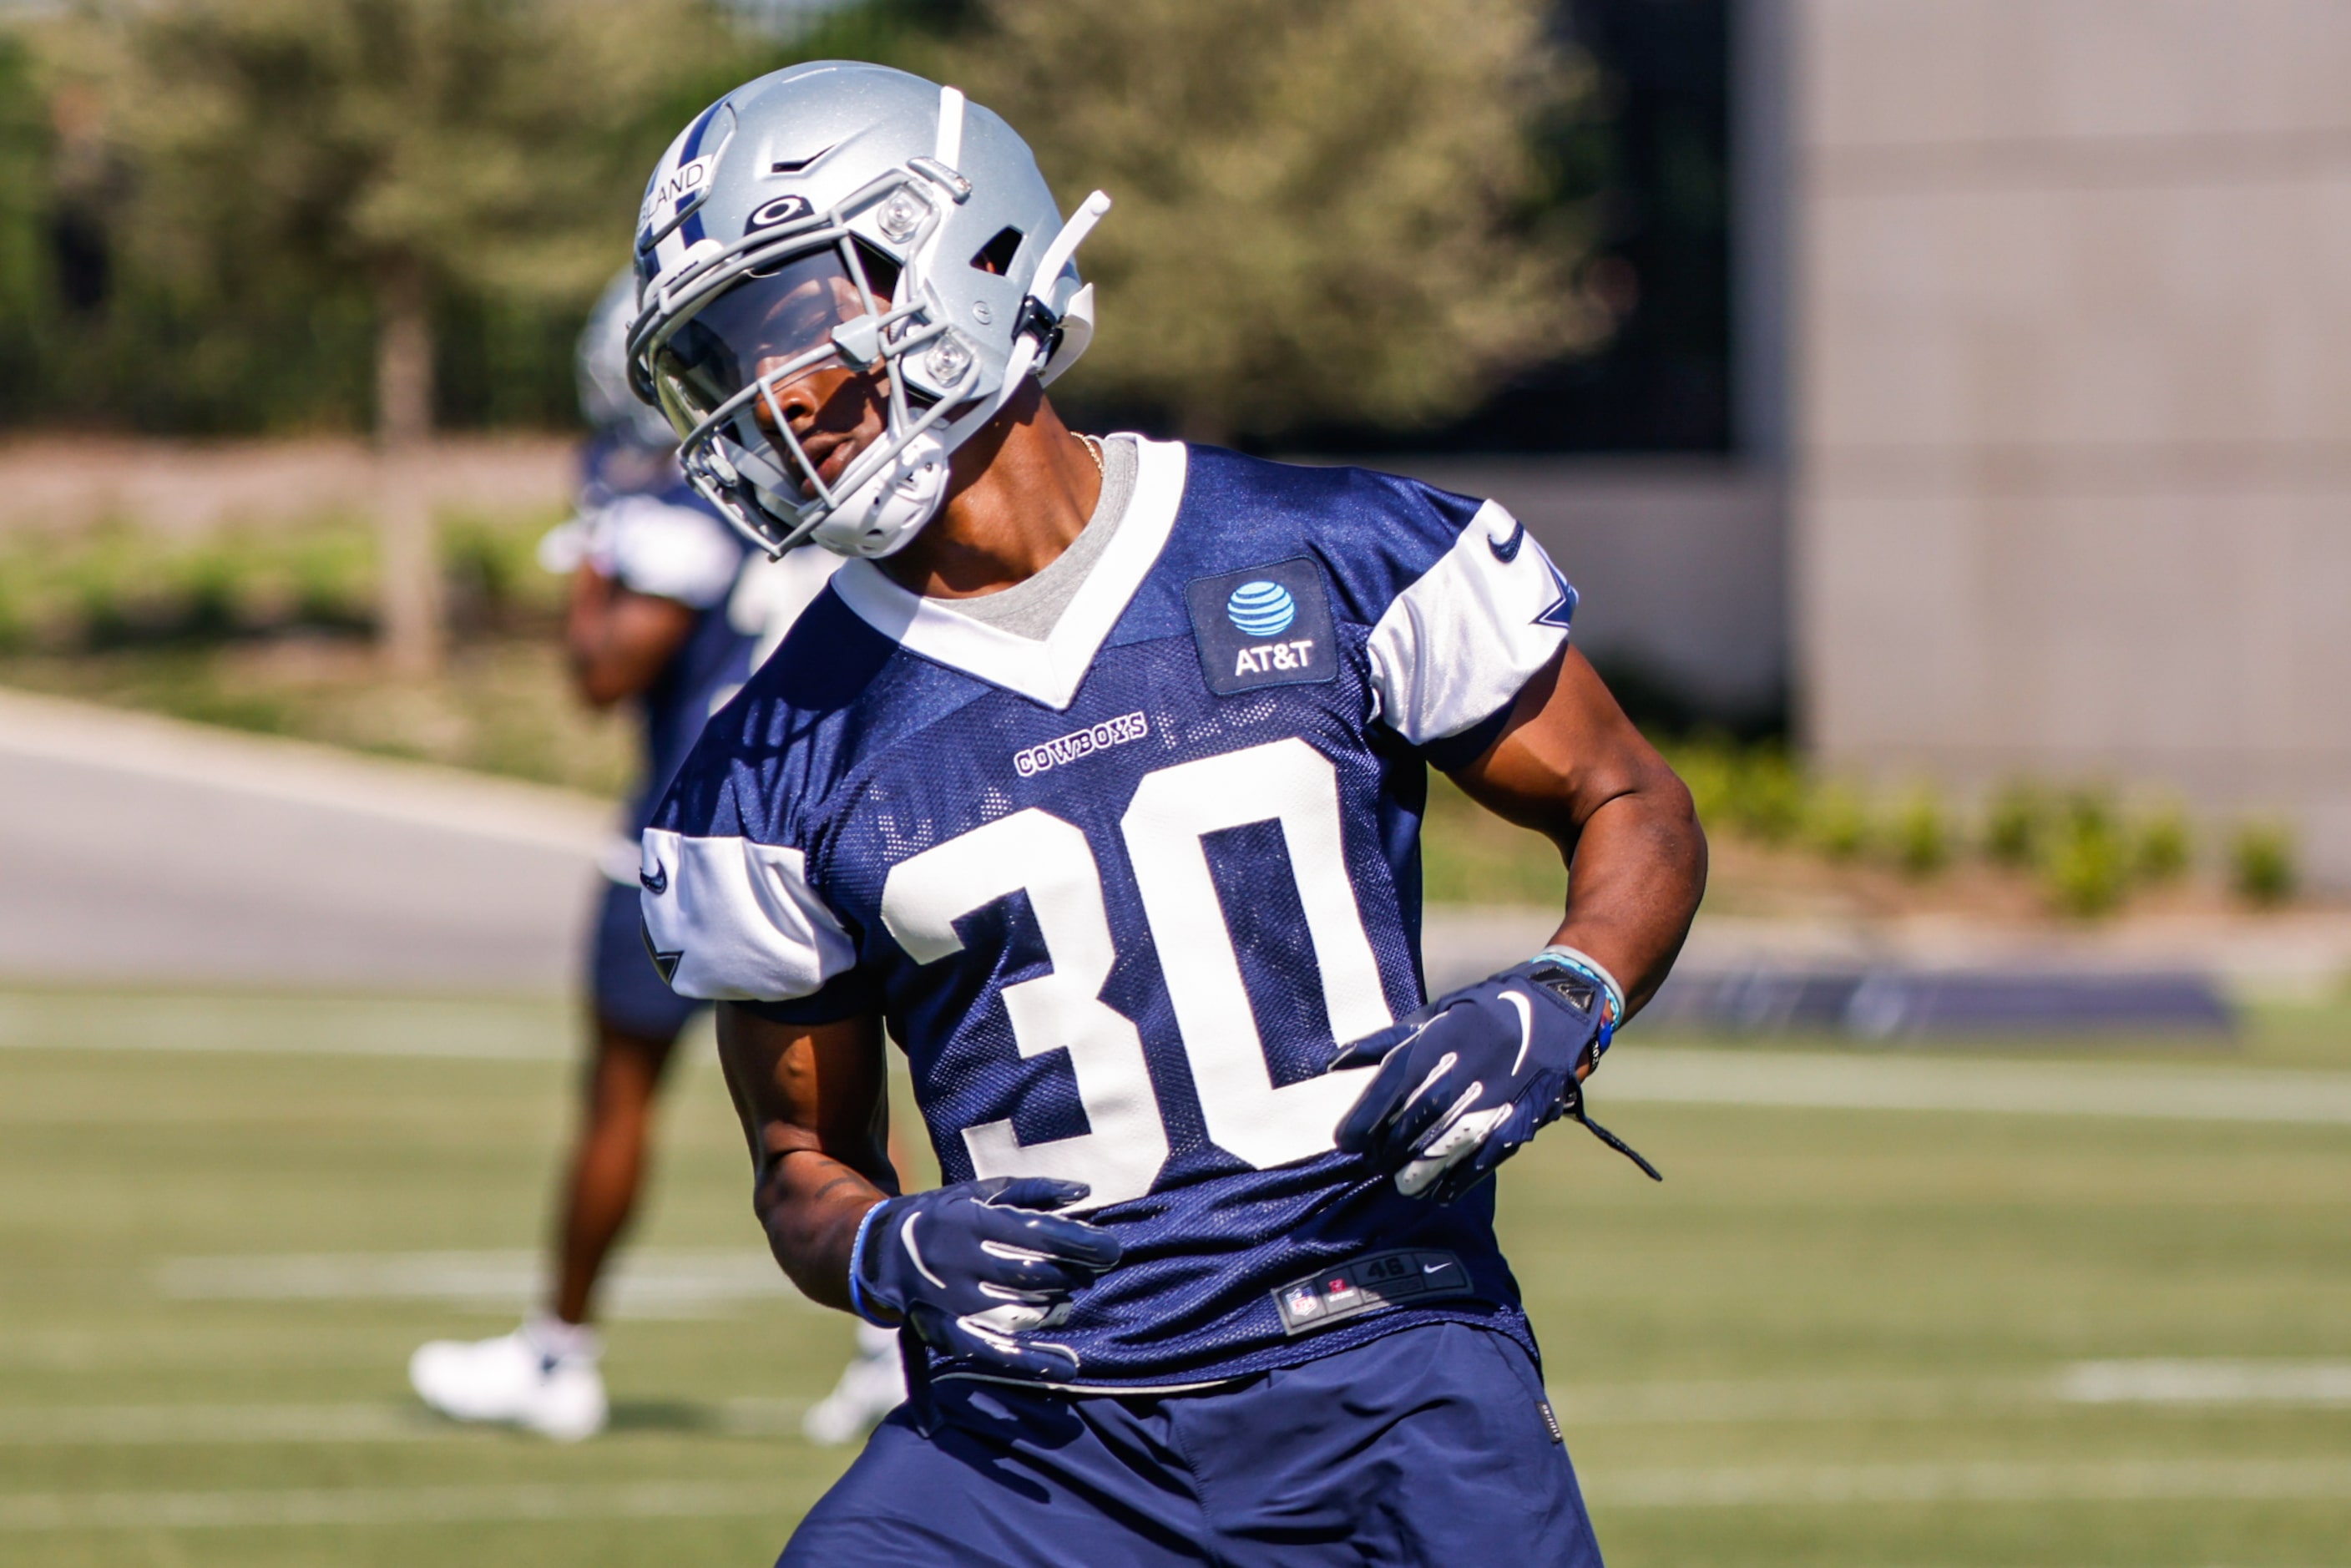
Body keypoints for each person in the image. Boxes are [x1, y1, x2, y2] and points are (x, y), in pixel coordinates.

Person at [630, 63, 1706, 1562]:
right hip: (1037, 1439)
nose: (774, 397)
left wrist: (1563, 991)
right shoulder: (768, 760)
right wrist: (878, 1244)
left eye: (789, 325)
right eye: (726, 357)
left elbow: (1630, 797)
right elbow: (804, 1165)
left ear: (963, 253)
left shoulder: (1333, 551)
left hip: (1383, 1363)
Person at [407, 272, 897, 1444]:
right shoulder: (811, 473)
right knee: (862, 1105)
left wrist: (593, 550)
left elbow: (605, 672)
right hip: (818, 828)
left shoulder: (674, 503)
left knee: (624, 1097)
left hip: (687, 840)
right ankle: (897, 1347)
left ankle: (557, 1353)